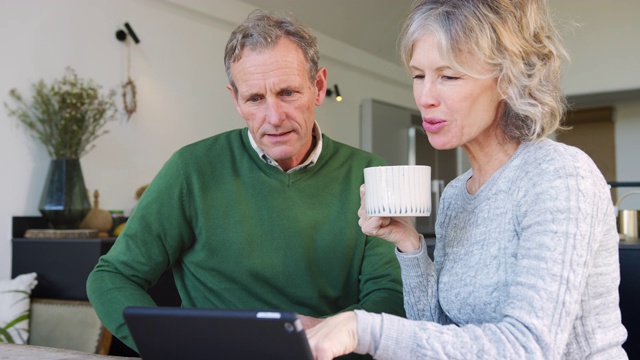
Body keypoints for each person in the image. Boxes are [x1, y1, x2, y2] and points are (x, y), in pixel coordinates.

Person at [306, 0, 628, 359]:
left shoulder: (560, 176)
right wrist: (409, 244)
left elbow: (530, 348)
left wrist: (365, 329)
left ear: (508, 79)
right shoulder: (457, 195)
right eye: (418, 75)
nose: (425, 97)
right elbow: (441, 332)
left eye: (449, 76)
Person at [86, 9, 404, 358]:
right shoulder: (190, 170)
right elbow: (112, 277)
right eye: (255, 98)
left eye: (287, 93)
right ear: (236, 100)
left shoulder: (369, 172)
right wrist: (174, 346)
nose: (274, 117)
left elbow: (389, 293)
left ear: (318, 87)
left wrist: (328, 336)